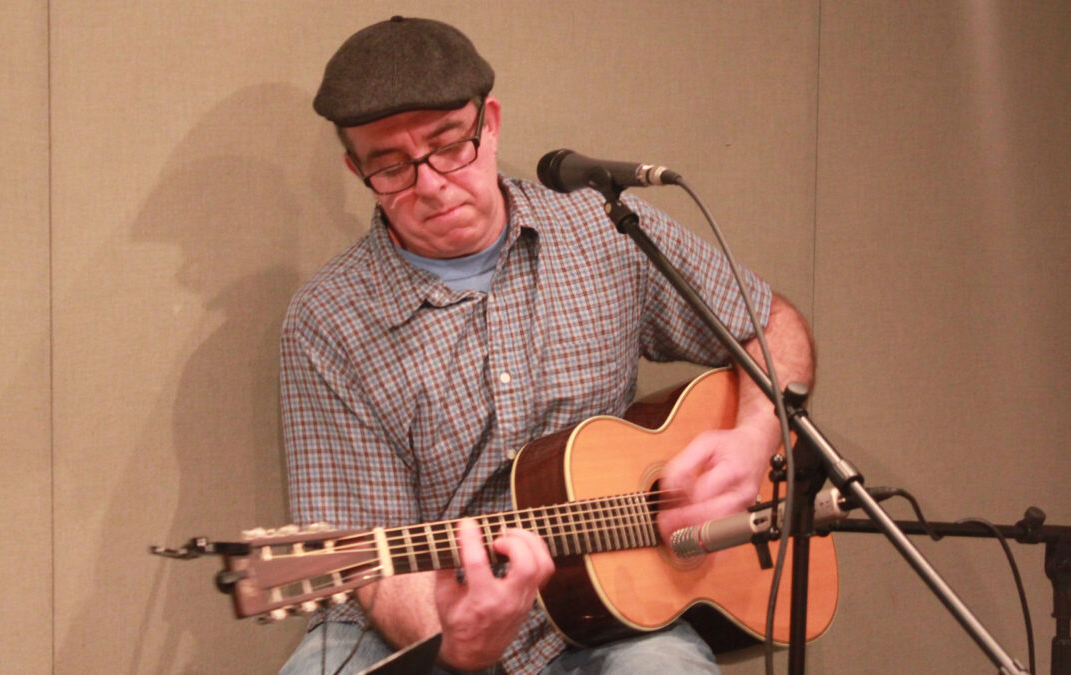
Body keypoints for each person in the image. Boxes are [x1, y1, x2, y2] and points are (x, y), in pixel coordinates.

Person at [279, 16, 814, 675]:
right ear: (356, 168)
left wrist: (753, 440)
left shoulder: (603, 230)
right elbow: (368, 558)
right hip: (423, 618)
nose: (432, 184)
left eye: (451, 146)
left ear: (490, 123)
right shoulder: (328, 320)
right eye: (391, 167)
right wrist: (463, 641)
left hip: (615, 608)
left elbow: (772, 327)